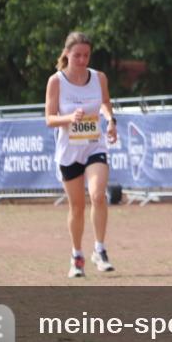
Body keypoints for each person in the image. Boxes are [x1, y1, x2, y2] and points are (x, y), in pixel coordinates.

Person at [45, 32, 118, 278]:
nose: (82, 60)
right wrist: (69, 118)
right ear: (67, 54)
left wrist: (110, 120)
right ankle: (77, 255)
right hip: (68, 152)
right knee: (77, 207)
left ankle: (100, 249)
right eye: (77, 55)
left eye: (86, 55)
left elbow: (105, 103)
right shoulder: (56, 81)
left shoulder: (99, 78)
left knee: (98, 195)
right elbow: (49, 118)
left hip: (94, 145)